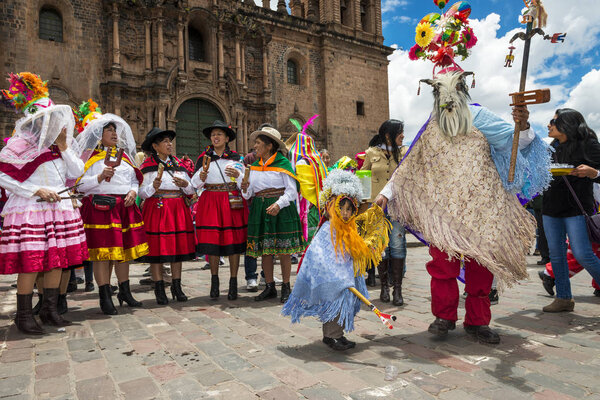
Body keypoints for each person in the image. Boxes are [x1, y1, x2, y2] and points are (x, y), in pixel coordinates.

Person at [376, 7, 552, 344]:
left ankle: (478, 321)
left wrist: (524, 123)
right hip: (444, 213)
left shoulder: (481, 118)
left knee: (480, 268)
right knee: (441, 266)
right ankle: (443, 317)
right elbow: (409, 167)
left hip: (481, 209)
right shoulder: (430, 128)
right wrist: (387, 193)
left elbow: (523, 142)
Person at [0, 72, 88, 334]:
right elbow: (3, 174)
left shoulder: (59, 145)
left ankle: (50, 310)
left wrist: (63, 147)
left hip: (60, 207)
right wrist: (34, 190)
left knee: (57, 261)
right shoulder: (20, 143)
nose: (53, 123)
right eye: (48, 119)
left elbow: (77, 169)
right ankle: (24, 315)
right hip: (32, 208)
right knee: (33, 261)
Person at [282, 170, 390, 350]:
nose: (346, 213)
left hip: (346, 275)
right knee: (334, 301)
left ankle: (336, 335)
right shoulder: (327, 230)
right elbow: (318, 255)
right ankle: (332, 336)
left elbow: (354, 249)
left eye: (349, 209)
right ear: (332, 207)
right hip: (332, 278)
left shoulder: (349, 229)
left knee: (344, 303)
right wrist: (335, 274)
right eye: (342, 208)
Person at [75, 100, 148, 315]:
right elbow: (79, 185)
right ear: (99, 135)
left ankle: (125, 291)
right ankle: (104, 295)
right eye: (108, 130)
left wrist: (133, 192)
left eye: (114, 130)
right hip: (100, 208)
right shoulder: (90, 158)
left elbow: (135, 179)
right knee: (103, 254)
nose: (114, 134)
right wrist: (99, 177)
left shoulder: (124, 157)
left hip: (124, 206)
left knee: (123, 253)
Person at [540, 108, 600, 312]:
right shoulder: (551, 147)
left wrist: (593, 172)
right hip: (551, 207)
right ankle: (564, 298)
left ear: (567, 124)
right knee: (556, 255)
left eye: (553, 121)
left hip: (577, 208)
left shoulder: (589, 145)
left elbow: (598, 173)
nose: (549, 125)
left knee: (583, 254)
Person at [242, 126, 305, 303]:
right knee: (265, 250)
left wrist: (279, 204)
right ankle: (269, 286)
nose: (255, 146)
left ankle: (286, 286)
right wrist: (245, 189)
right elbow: (249, 194)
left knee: (284, 250)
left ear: (269, 146)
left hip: (281, 209)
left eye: (258, 143)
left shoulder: (283, 165)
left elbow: (292, 191)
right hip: (260, 209)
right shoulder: (253, 167)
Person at [138, 128, 196, 304]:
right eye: (164, 141)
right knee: (157, 249)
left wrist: (185, 184)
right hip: (157, 208)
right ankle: (159, 287)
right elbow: (142, 192)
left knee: (177, 249)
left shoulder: (179, 165)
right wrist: (152, 187)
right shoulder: (147, 167)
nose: (169, 144)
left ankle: (177, 286)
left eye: (170, 141)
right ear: (155, 146)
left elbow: (191, 190)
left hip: (177, 209)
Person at [192, 120, 248, 300]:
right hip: (210, 201)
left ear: (226, 138)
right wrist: (200, 177)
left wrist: (238, 175)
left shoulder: (236, 159)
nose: (215, 137)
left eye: (219, 134)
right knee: (212, 243)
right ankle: (214, 282)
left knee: (233, 244)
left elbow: (244, 183)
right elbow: (194, 184)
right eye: (213, 134)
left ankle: (233, 283)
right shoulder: (204, 158)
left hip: (231, 201)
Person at [361, 119, 408, 305]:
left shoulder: (404, 153)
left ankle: (397, 289)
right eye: (399, 132)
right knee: (381, 248)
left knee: (397, 246)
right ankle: (384, 288)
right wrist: (363, 205)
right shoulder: (371, 153)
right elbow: (363, 177)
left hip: (397, 209)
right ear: (388, 135)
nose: (403, 135)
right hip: (376, 210)